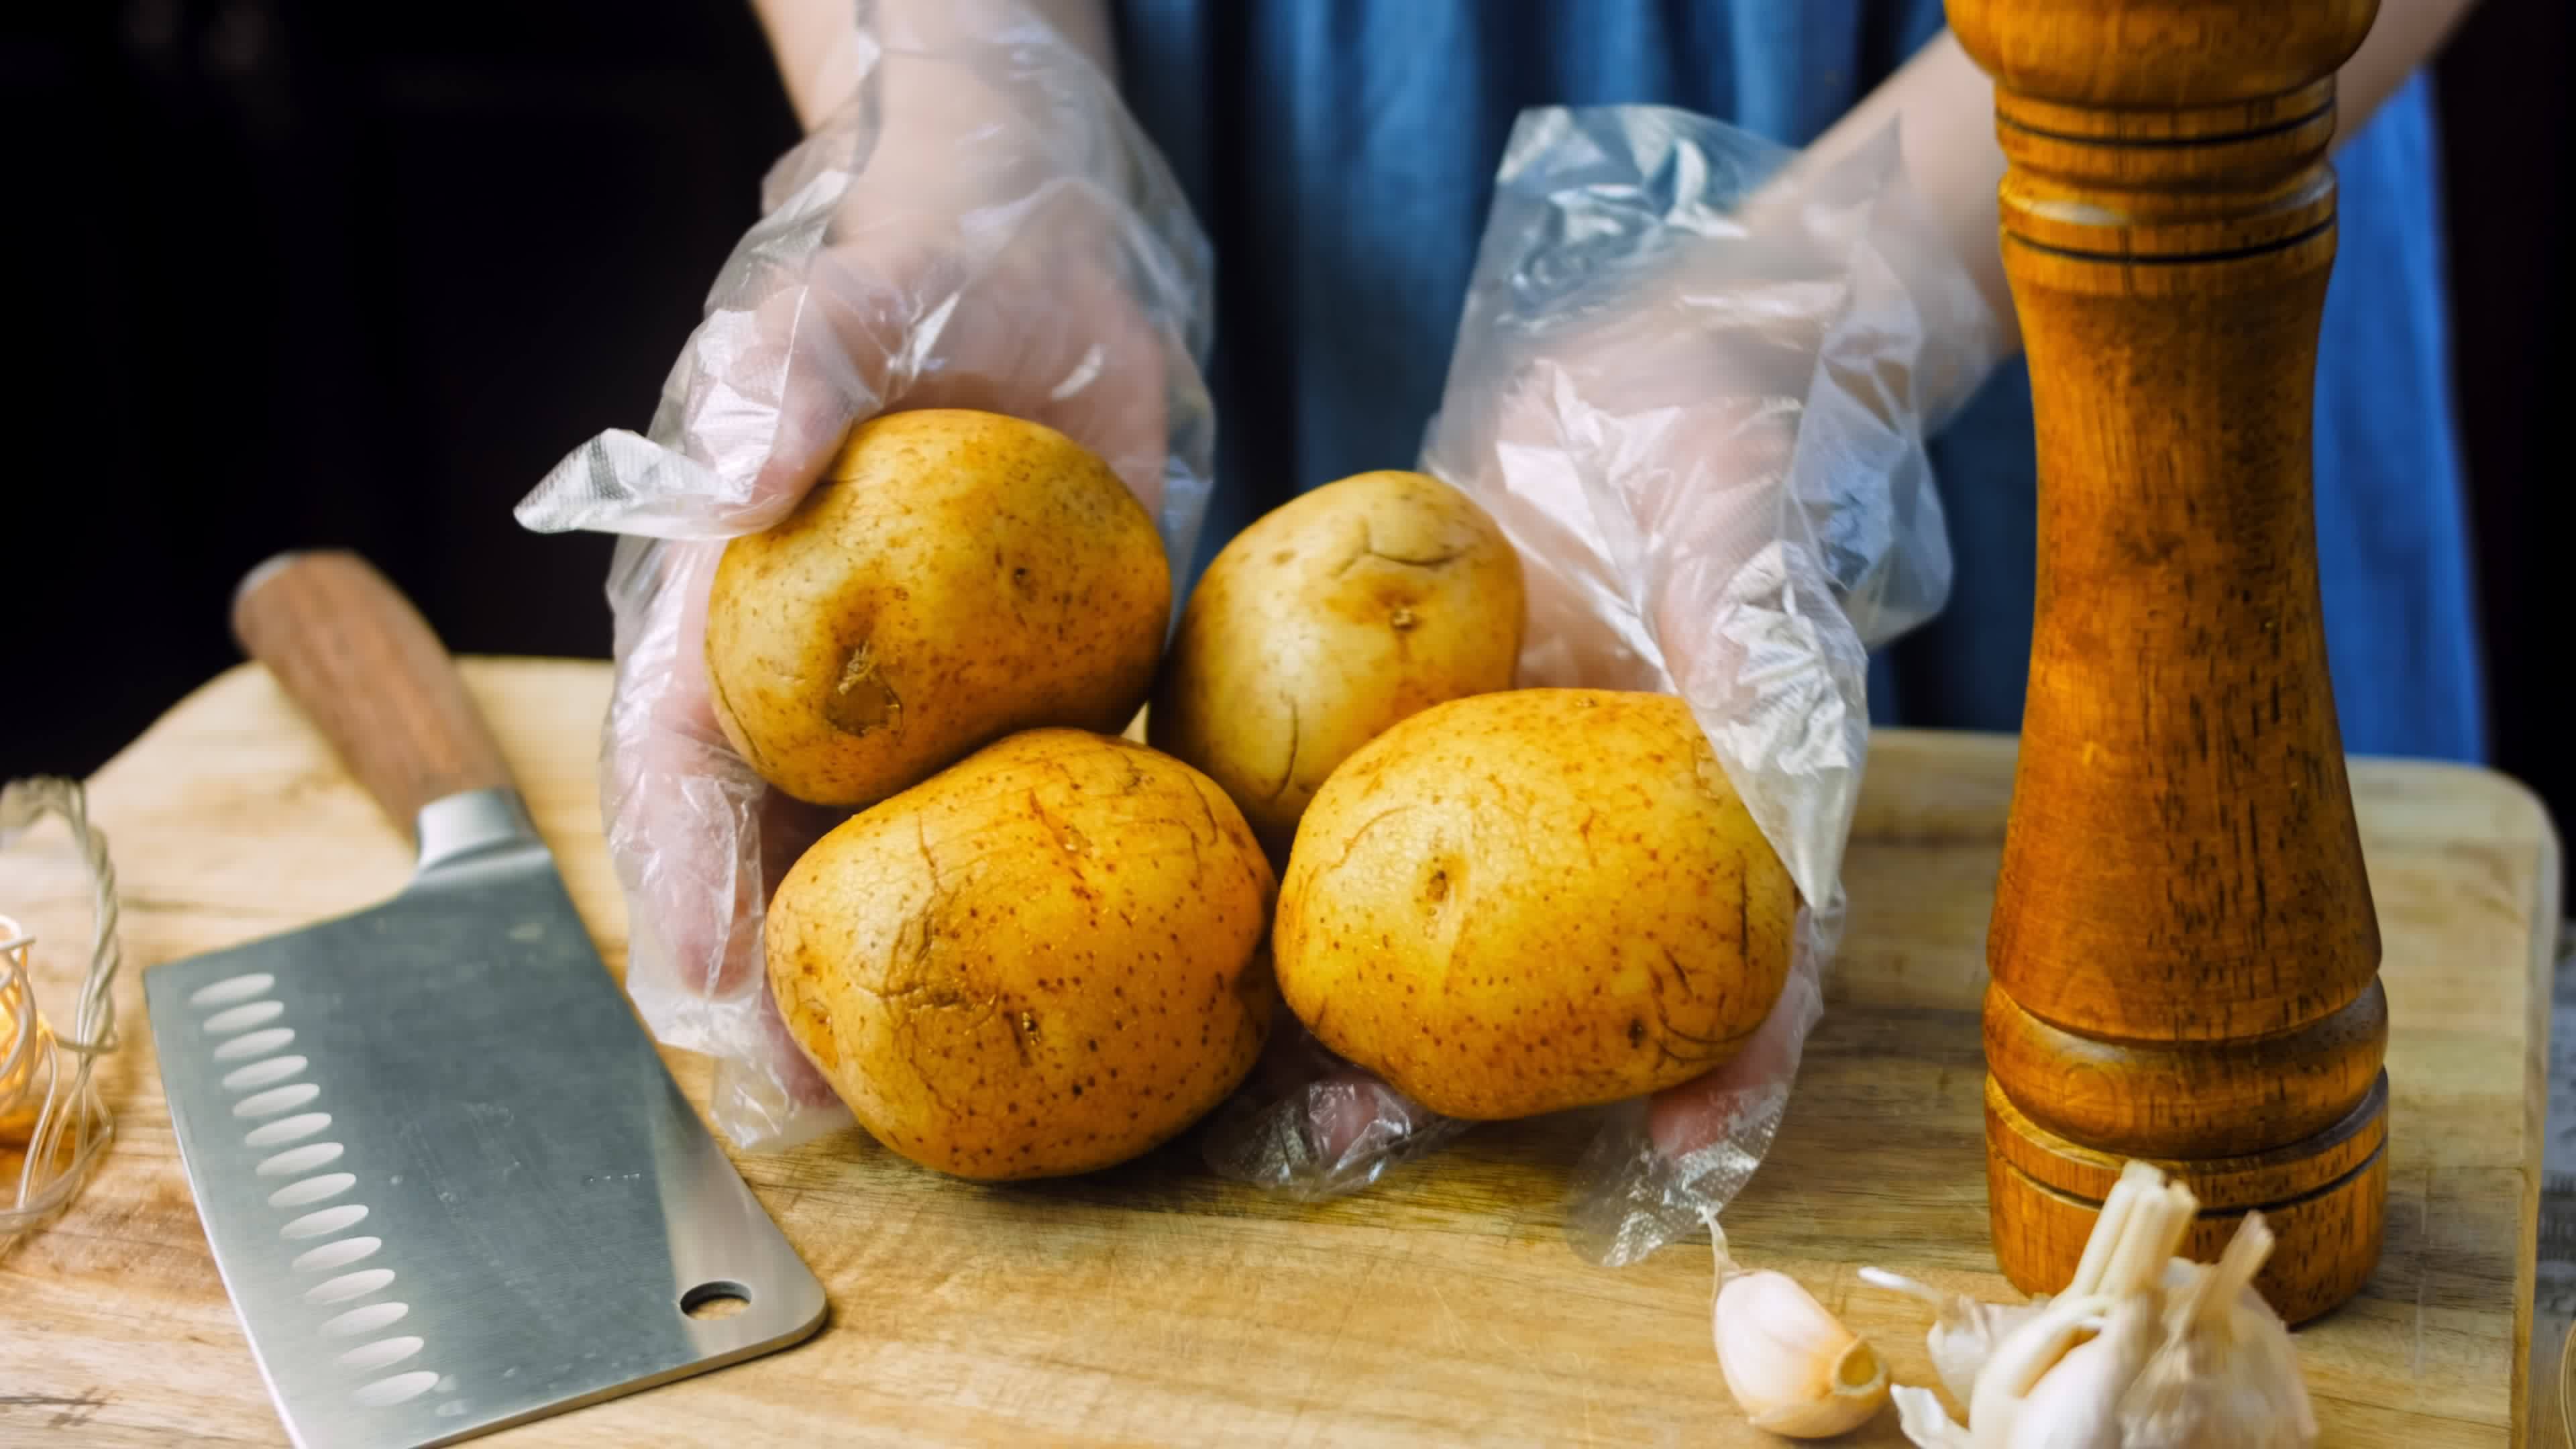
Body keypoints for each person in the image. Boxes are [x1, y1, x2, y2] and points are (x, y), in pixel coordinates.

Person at [519, 0, 2487, 1177]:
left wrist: (1862, 280)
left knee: (2195, 1027)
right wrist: (966, 124)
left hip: (2100, 169)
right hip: (1200, 114)